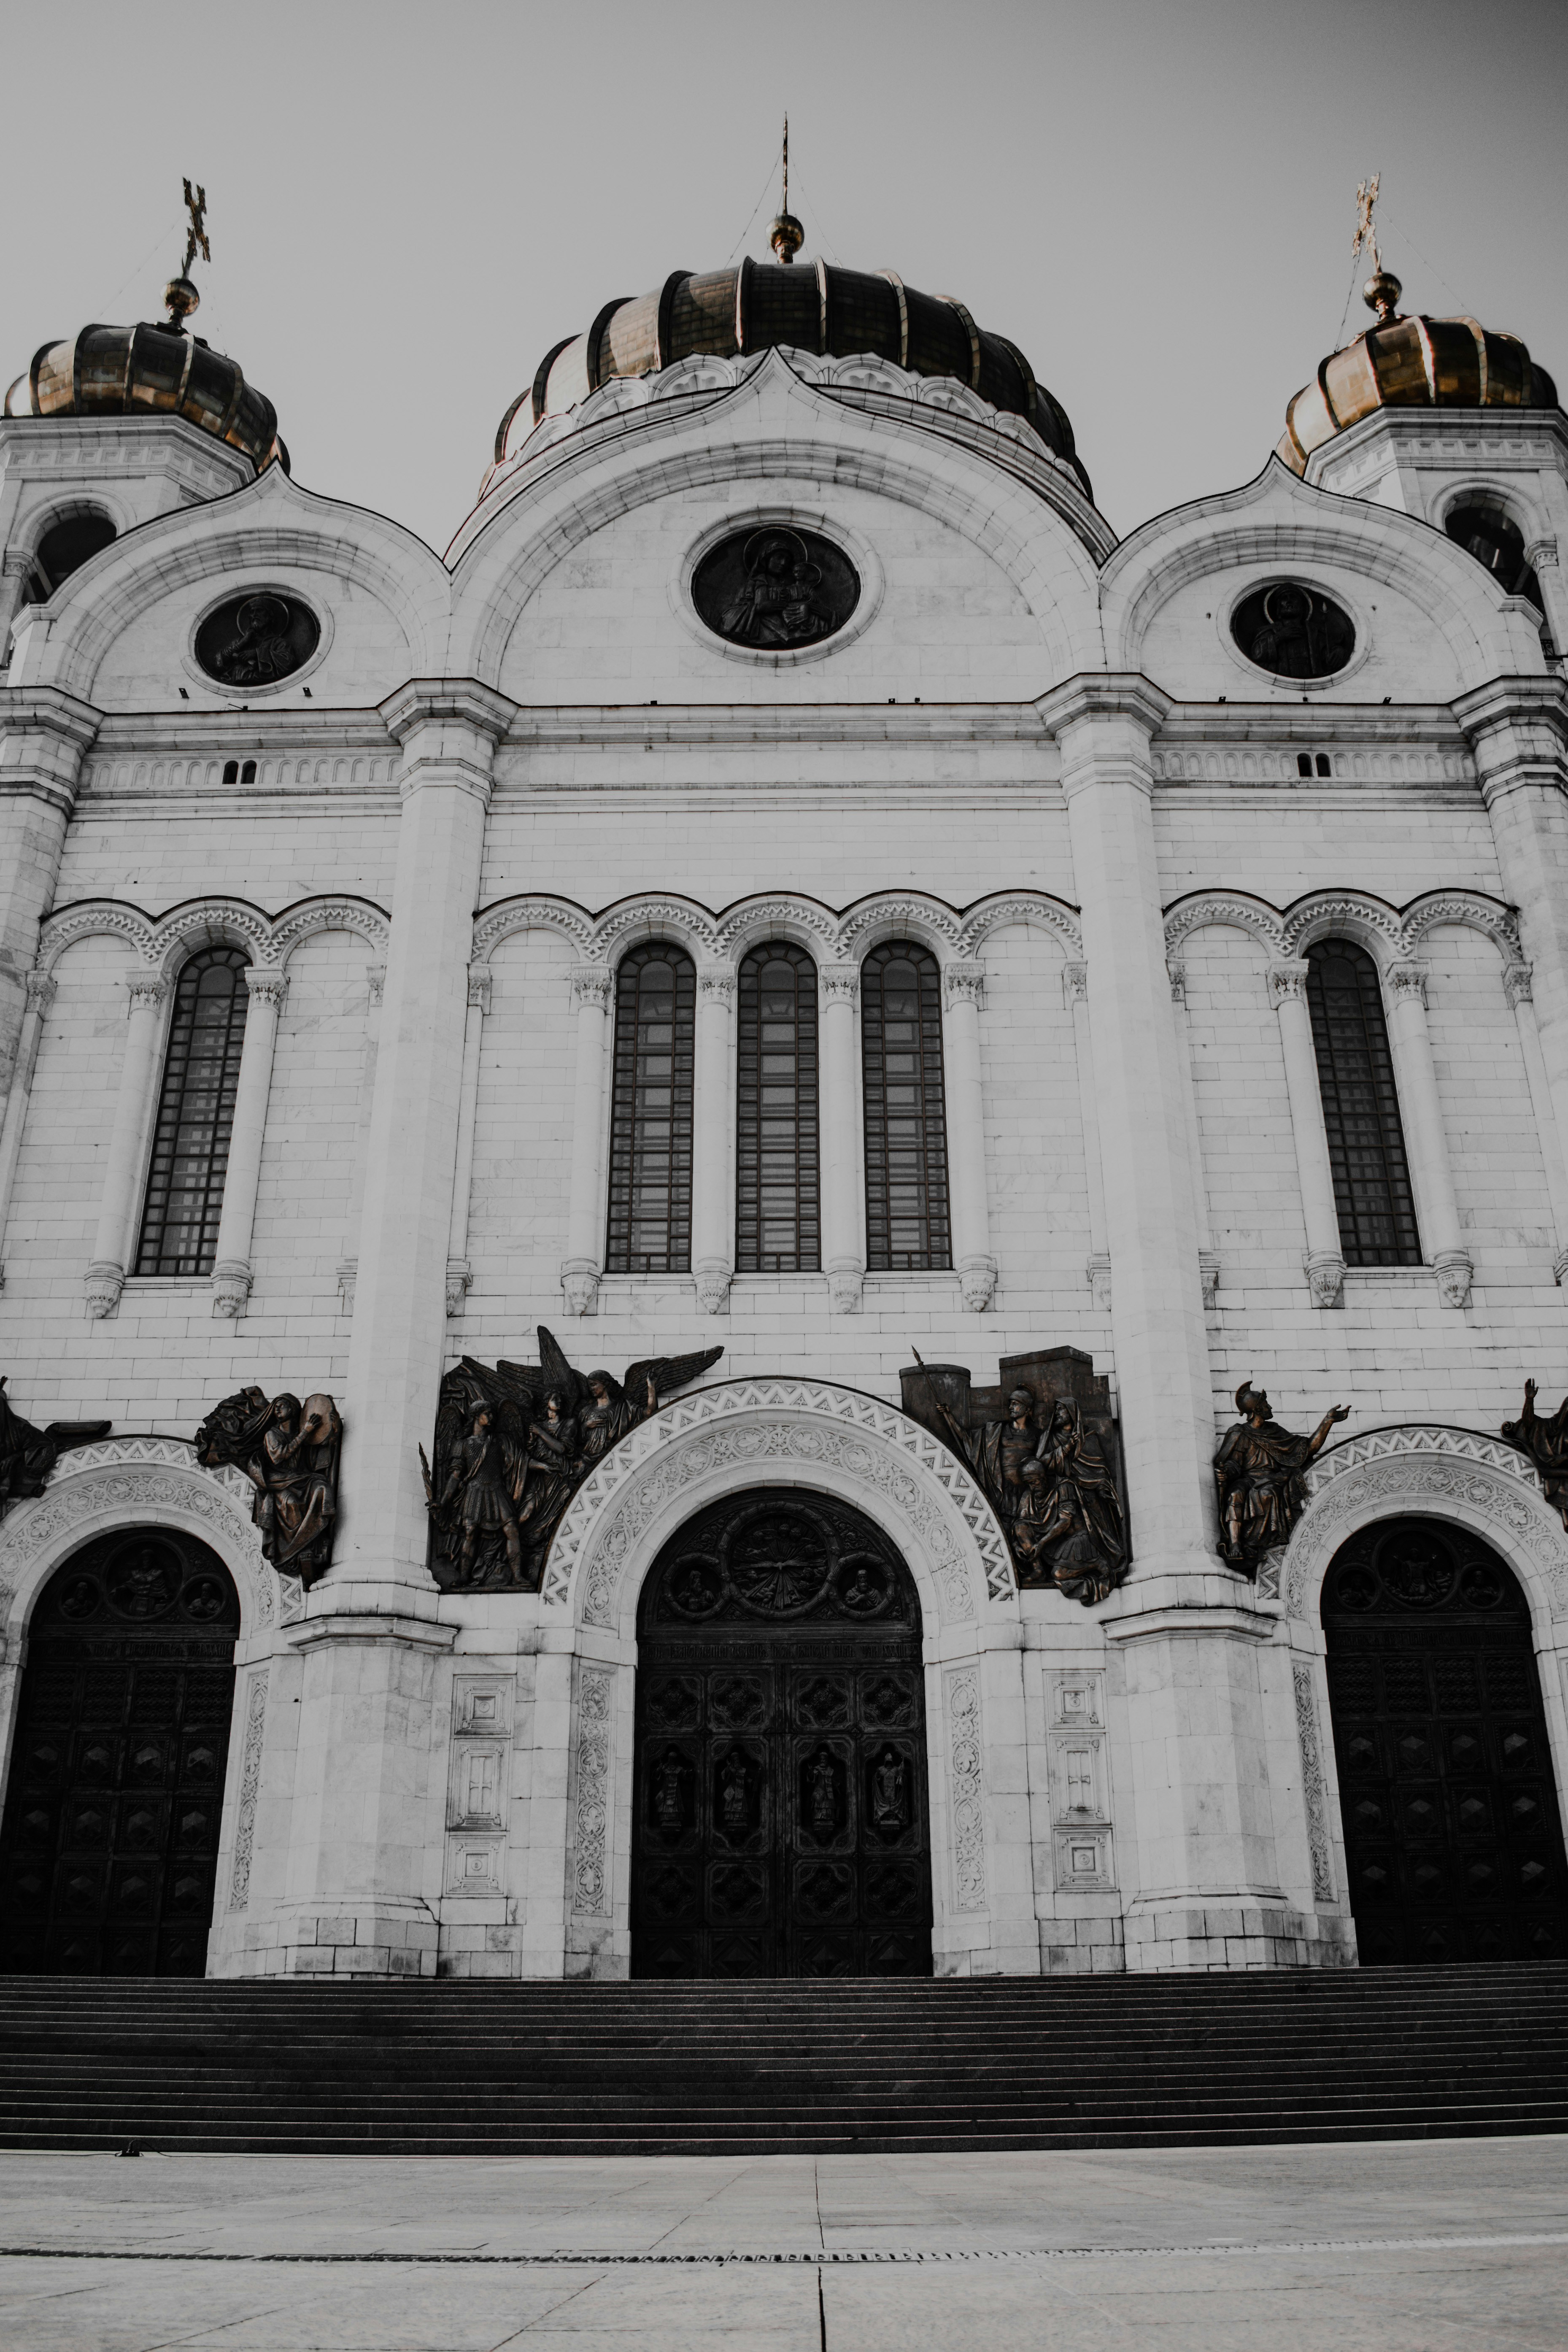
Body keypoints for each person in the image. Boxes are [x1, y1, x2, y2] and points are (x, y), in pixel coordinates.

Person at [1214, 1381, 1348, 1572]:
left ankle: (1254, 1543)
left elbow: (1307, 1449)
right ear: (1256, 1409)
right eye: (1266, 1404)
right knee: (1235, 1494)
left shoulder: (1275, 1432)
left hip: (1271, 1479)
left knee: (1268, 1494)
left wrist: (1328, 1421)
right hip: (1247, 1479)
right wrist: (1226, 1473)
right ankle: (1235, 1543)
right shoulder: (1240, 1433)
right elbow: (1233, 1464)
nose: (1270, 1407)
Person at [430, 1404, 526, 1588]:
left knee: (512, 1530)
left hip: (497, 1491)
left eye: (491, 1413)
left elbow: (519, 1461)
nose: (491, 1417)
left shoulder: (499, 1442)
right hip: (474, 1492)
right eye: (487, 1413)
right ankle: (464, 1576)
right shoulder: (463, 1445)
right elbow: (455, 1477)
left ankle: (518, 1576)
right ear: (476, 1416)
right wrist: (442, 1502)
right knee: (470, 1533)